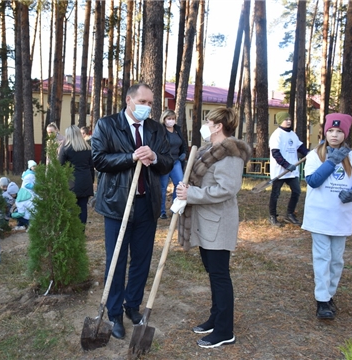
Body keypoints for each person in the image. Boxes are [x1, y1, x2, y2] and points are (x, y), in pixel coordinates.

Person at [91, 83, 173, 339]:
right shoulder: (107, 125)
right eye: (143, 102)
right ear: (129, 100)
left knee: (141, 259)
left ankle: (132, 305)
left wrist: (156, 157)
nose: (147, 107)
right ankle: (114, 313)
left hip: (146, 204)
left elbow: (168, 160)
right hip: (117, 204)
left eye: (150, 103)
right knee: (115, 260)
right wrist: (131, 157)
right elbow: (98, 159)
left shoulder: (155, 129)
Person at [174, 107, 251, 348]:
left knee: (219, 276)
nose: (205, 125)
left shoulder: (230, 154)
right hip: (206, 222)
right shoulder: (211, 150)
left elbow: (227, 189)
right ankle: (216, 318)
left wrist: (192, 193)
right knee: (212, 272)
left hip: (218, 224)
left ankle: (225, 330)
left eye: (208, 121)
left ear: (218, 126)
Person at [301, 113, 352, 320]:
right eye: (331, 131)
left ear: (345, 134)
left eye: (339, 131)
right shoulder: (315, 155)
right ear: (325, 132)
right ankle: (322, 301)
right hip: (319, 216)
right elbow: (313, 181)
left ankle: (330, 295)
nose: (335, 135)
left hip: (340, 216)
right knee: (322, 257)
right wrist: (331, 162)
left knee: (337, 259)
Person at [268, 111, 310, 226]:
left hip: (292, 171)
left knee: (297, 191)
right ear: (280, 121)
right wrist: (286, 165)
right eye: (286, 119)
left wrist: (308, 153)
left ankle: (290, 214)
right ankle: (272, 217)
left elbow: (300, 147)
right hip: (280, 171)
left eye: (289, 119)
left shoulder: (292, 134)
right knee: (275, 194)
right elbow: (275, 153)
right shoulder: (277, 135)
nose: (288, 121)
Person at [59, 125, 95, 226]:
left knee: (71, 208)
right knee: (83, 207)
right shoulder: (87, 148)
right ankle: (81, 231)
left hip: (71, 183)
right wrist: (91, 181)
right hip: (85, 181)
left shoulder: (66, 149)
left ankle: (72, 231)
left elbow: (60, 166)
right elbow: (91, 167)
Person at [158, 109, 189, 219]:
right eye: (169, 118)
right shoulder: (160, 131)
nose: (171, 121)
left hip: (176, 162)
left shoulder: (177, 130)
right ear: (164, 119)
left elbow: (183, 144)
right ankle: (161, 211)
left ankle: (175, 208)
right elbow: (157, 146)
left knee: (179, 185)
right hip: (165, 162)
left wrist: (184, 153)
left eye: (173, 119)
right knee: (162, 188)